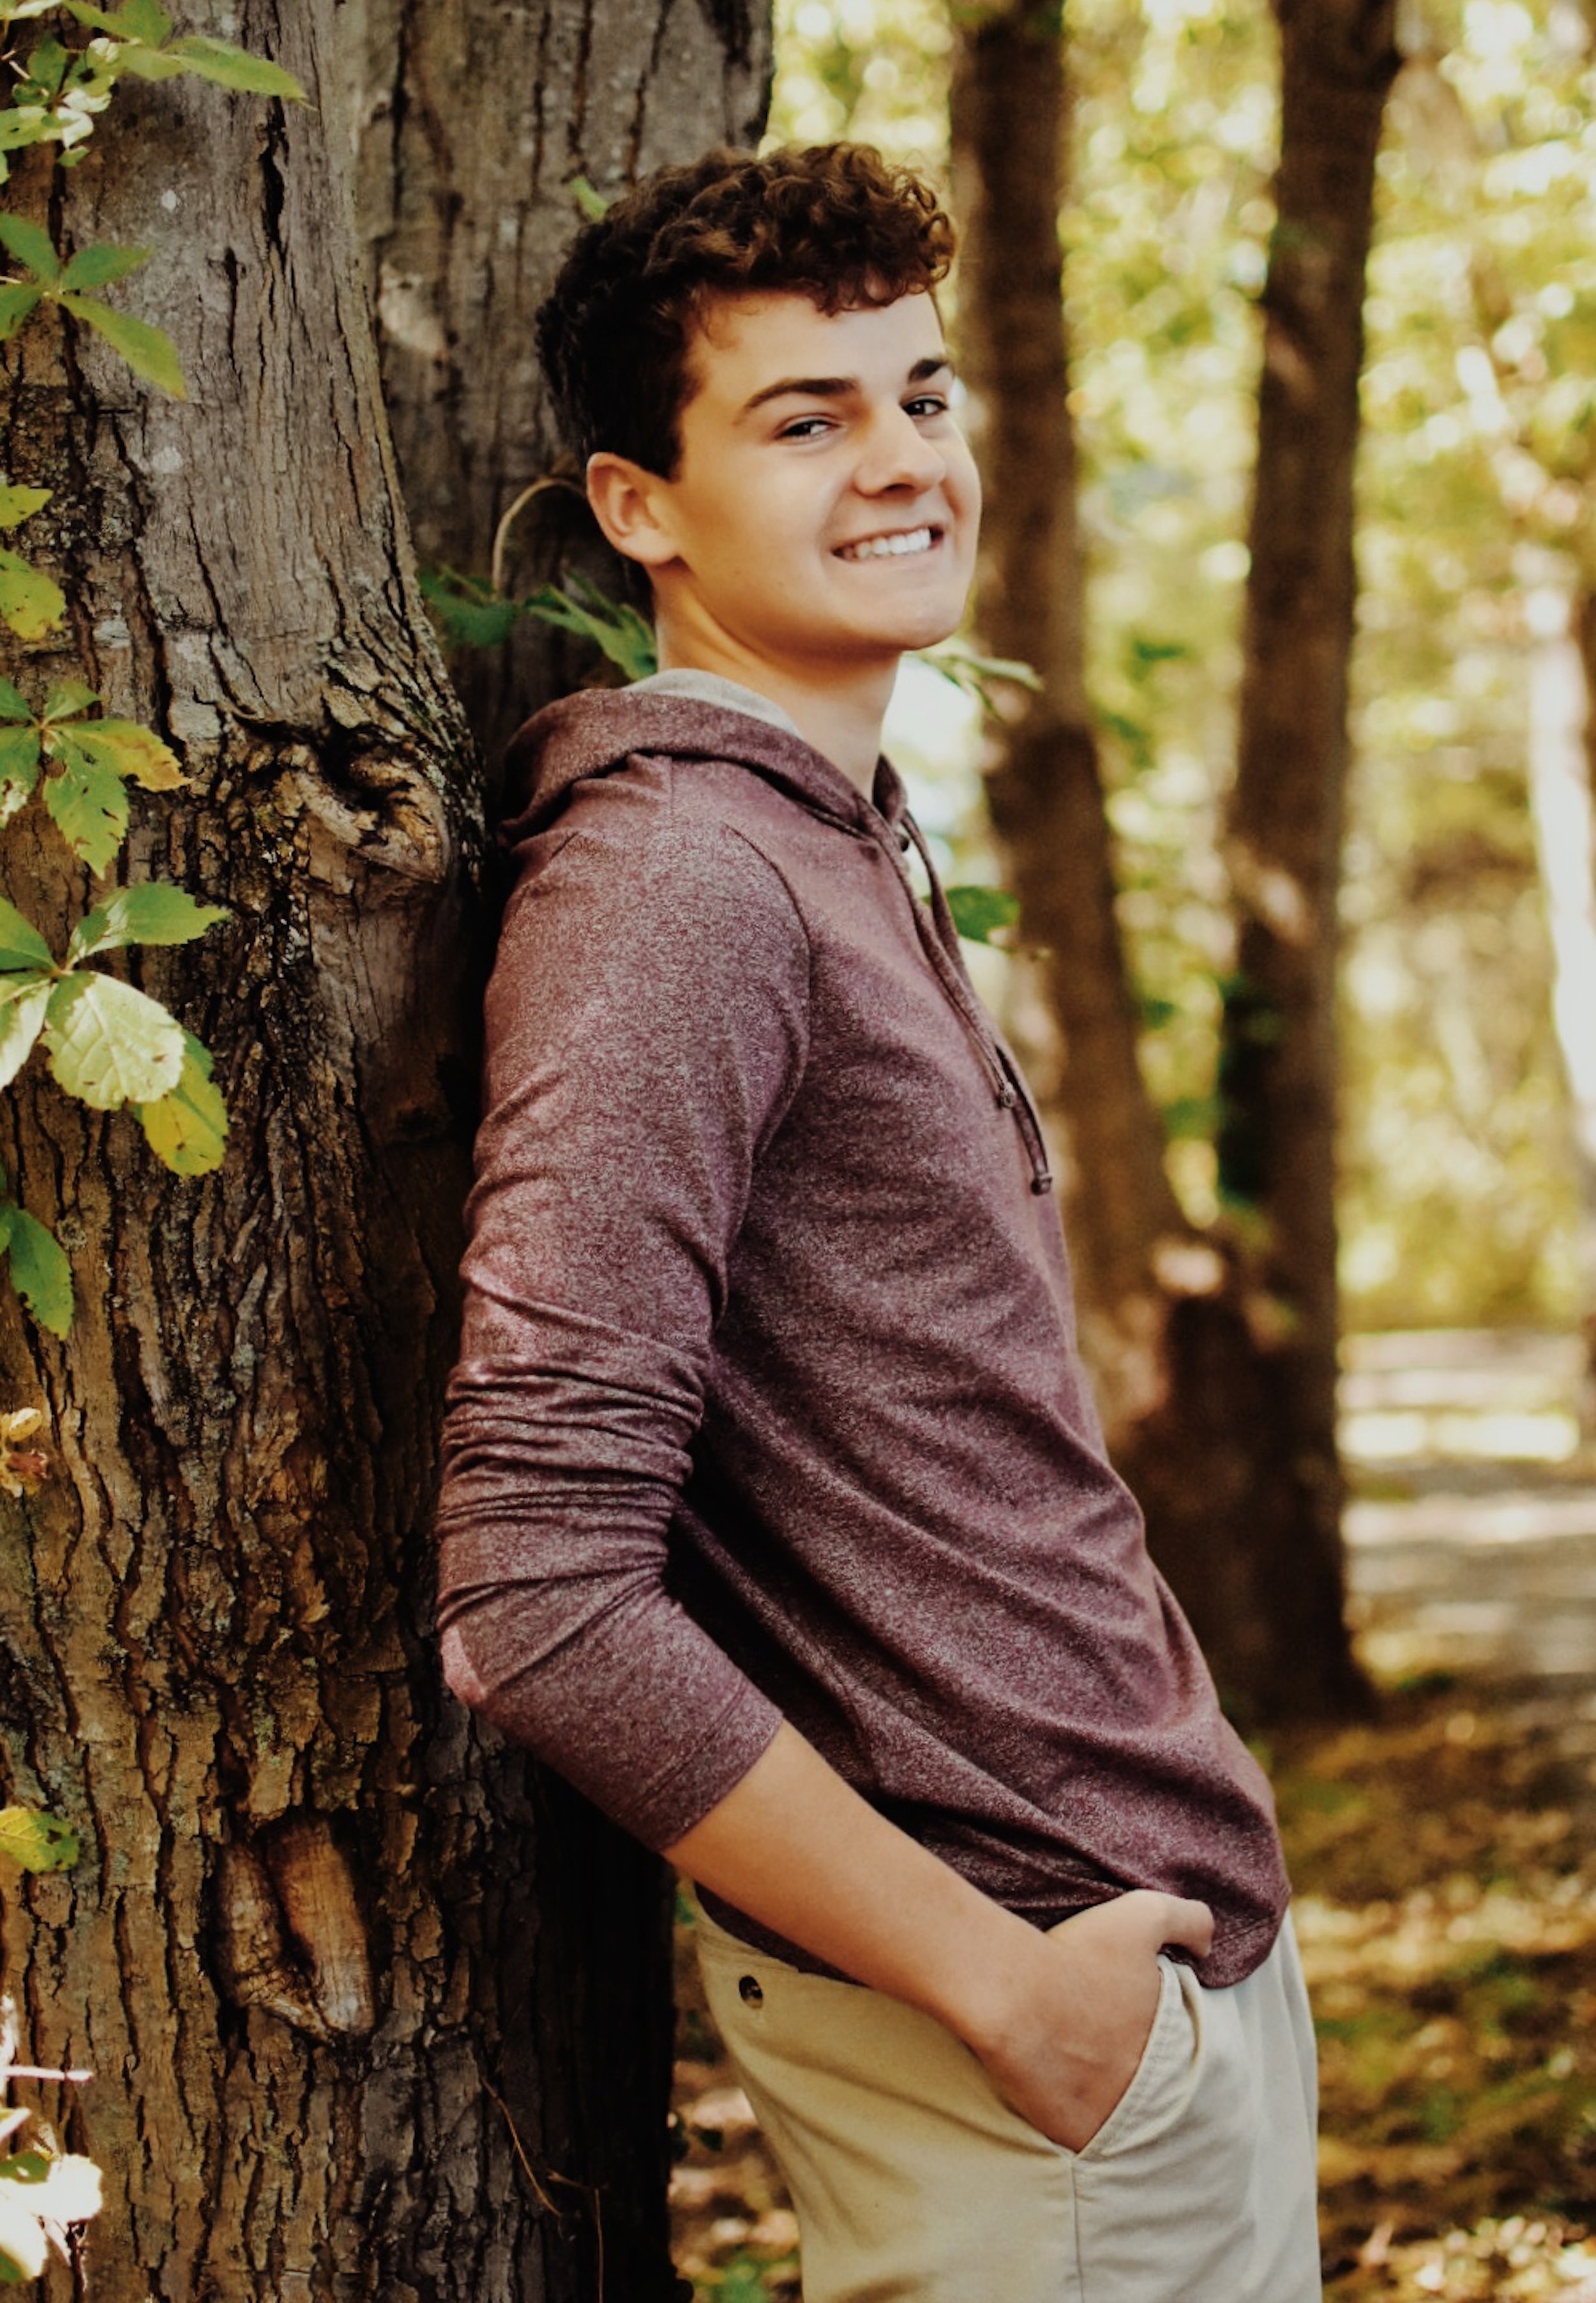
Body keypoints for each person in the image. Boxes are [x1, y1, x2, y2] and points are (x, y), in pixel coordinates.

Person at [436, 141, 1320, 2303]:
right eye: (804, 419)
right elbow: (534, 1581)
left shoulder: (829, 838)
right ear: (638, 506)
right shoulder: (679, 891)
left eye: (920, 396)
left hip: (1131, 2018)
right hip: (1019, 2062)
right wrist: (1008, 1996)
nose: (901, 461)